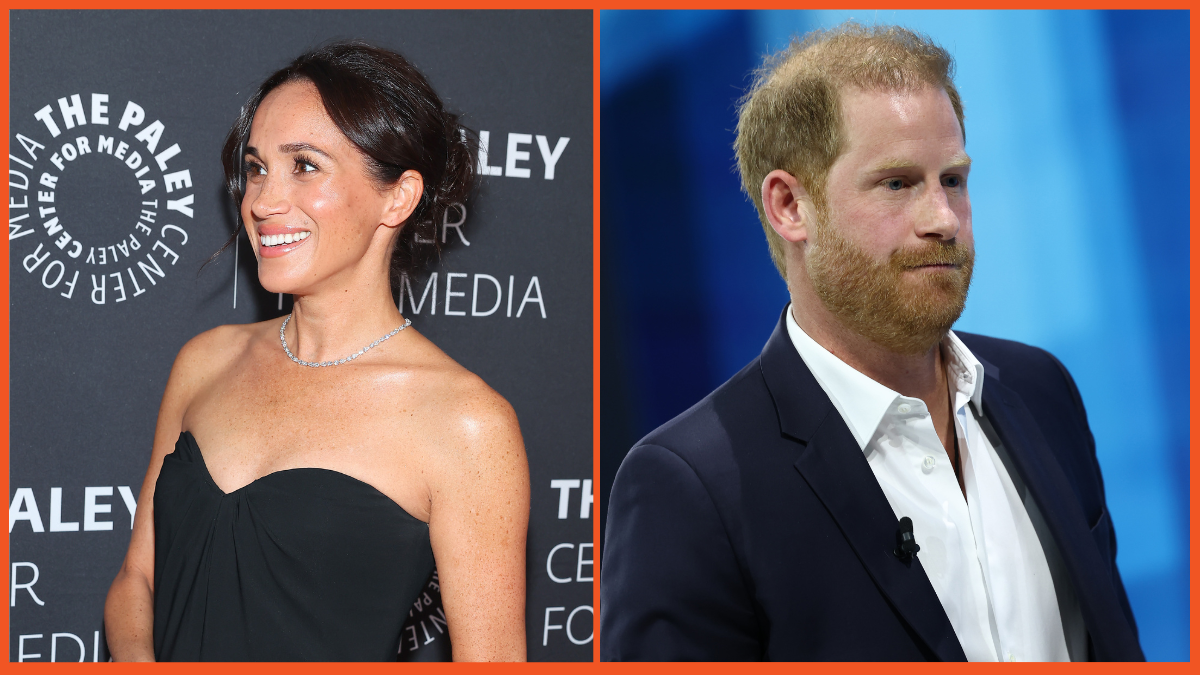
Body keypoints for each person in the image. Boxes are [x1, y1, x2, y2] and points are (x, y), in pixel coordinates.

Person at [601, 23, 1143, 662]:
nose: (942, 218)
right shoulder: (691, 485)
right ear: (789, 206)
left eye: (953, 180)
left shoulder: (1040, 391)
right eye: (897, 183)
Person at [104, 41, 530, 662]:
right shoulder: (205, 361)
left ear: (398, 197)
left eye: (304, 166)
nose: (262, 201)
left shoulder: (466, 424)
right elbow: (135, 580)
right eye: (256, 168)